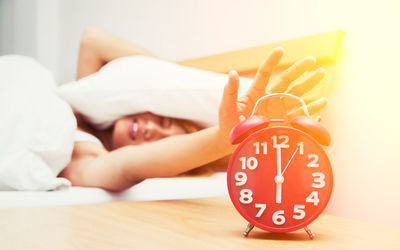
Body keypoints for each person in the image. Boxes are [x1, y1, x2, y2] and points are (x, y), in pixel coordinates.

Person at [60, 27, 328, 191]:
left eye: (160, 142)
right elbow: (91, 39)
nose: (150, 129)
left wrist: (225, 138)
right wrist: (175, 76)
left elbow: (126, 167)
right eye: (163, 122)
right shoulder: (86, 101)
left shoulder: (84, 159)